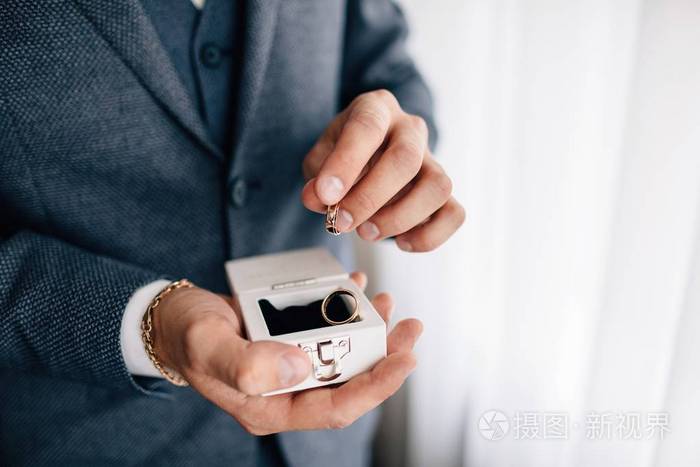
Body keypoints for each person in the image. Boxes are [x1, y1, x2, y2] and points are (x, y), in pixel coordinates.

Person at [0, 0, 464, 465]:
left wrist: (390, 160)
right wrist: (148, 322)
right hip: (91, 438)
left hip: (328, 443)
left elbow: (385, 68)